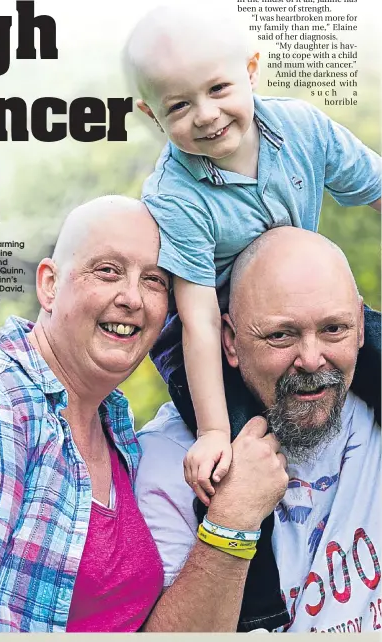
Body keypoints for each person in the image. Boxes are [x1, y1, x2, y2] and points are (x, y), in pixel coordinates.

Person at [0, 196, 288, 633]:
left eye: (154, 280)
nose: (132, 298)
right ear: (49, 285)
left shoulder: (114, 424)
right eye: (108, 271)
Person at [123, 2, 381, 501]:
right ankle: (254, 570)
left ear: (251, 70)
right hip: (209, 337)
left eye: (219, 88)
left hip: (298, 308)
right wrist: (214, 432)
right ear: (151, 114)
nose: (206, 115)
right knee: (240, 468)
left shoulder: (304, 130)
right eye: (178, 106)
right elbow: (199, 323)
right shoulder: (175, 196)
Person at [135, 227, 381, 632]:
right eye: (281, 335)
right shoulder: (168, 459)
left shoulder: (372, 405)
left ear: (358, 323)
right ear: (230, 342)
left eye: (333, 329)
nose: (312, 359)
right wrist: (231, 521)